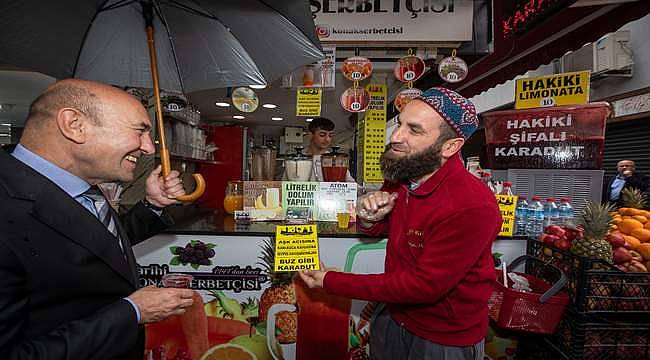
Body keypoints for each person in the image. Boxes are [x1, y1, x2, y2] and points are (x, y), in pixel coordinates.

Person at [299, 87, 502, 360]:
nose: (395, 137)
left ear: (450, 146)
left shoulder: (473, 205)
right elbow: (383, 229)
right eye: (399, 123)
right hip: (392, 316)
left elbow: (424, 286)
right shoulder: (405, 173)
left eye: (414, 130)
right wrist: (370, 218)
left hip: (442, 337)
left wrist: (331, 281)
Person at [0, 79, 195, 359]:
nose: (148, 148)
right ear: (74, 125)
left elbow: (93, 247)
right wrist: (132, 312)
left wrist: (152, 205)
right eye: (139, 131)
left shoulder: (78, 185)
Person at [304, 117, 355, 182]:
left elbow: (350, 183)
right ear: (310, 135)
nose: (327, 139)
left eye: (330, 136)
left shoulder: (335, 160)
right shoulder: (300, 158)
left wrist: (365, 191)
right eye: (322, 135)